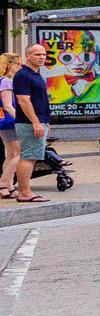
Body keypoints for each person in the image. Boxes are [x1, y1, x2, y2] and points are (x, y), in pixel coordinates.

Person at [12, 43, 53, 203]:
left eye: (43, 54)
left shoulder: (35, 74)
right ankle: (24, 192)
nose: (42, 57)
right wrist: (36, 122)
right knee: (28, 156)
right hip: (29, 123)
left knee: (32, 156)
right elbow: (23, 101)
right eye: (37, 54)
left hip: (38, 121)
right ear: (28, 56)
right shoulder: (23, 75)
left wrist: (45, 121)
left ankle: (25, 191)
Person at [0, 52, 19, 199]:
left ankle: (9, 186)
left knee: (11, 154)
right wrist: (21, 119)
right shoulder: (6, 81)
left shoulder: (2, 80)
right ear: (11, 65)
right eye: (18, 64)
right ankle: (2, 184)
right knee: (18, 154)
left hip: (4, 122)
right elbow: (7, 106)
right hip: (10, 122)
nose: (20, 66)